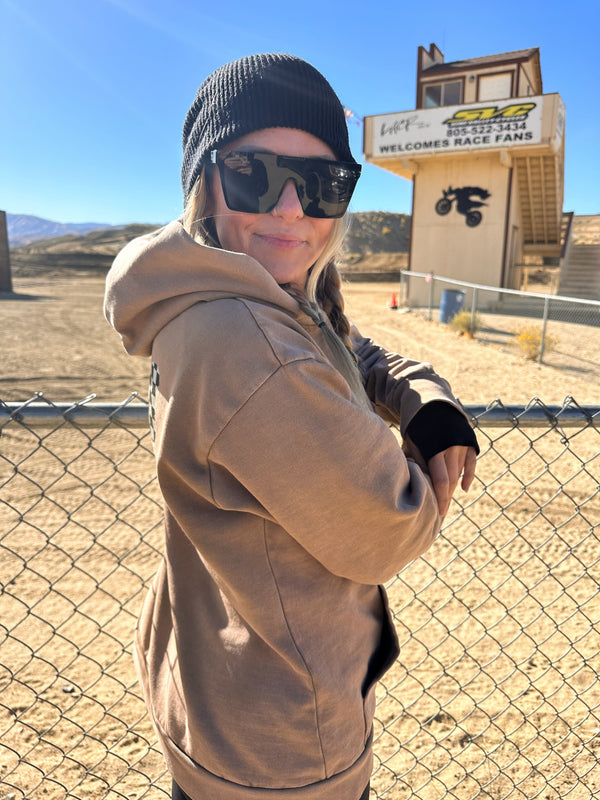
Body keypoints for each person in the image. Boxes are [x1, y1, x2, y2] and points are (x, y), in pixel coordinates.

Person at [104, 53, 478, 800]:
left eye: (322, 185)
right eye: (253, 172)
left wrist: (422, 399)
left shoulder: (259, 292)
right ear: (201, 180)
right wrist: (416, 465)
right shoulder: (248, 342)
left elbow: (351, 345)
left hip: (223, 685)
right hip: (280, 745)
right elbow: (387, 528)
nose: (288, 209)